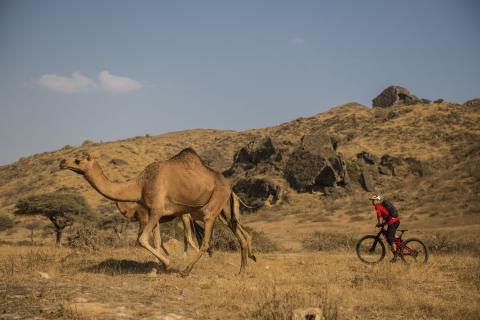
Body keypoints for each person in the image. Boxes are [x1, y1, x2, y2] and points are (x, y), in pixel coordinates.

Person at [369, 194, 400, 262]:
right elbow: (387, 216)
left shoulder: (377, 206)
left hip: (393, 222)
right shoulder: (381, 206)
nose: (372, 202)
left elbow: (380, 217)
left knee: (390, 237)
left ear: (377, 200)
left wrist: (379, 223)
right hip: (395, 221)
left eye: (373, 200)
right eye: (372, 200)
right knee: (390, 235)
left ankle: (396, 256)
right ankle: (400, 246)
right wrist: (383, 223)